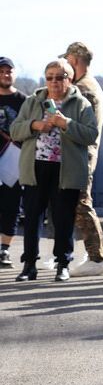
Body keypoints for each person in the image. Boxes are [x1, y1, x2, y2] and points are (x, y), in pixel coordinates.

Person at [9, 59, 97, 282]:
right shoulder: (32, 102)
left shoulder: (81, 104)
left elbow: (90, 135)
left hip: (65, 170)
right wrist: (34, 125)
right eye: (50, 77)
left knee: (63, 218)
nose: (54, 82)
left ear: (69, 79)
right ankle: (29, 264)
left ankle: (63, 264)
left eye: (60, 77)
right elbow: (15, 130)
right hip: (35, 167)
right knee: (31, 218)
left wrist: (65, 123)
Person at [62, 42, 103, 277]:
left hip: (81, 156)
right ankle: (97, 255)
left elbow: (80, 127)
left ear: (74, 60)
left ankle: (97, 257)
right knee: (81, 204)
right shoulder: (89, 85)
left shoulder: (83, 89)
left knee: (82, 205)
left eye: (67, 61)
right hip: (82, 155)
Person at [0, 56, 26, 269]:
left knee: (11, 205)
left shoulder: (24, 100)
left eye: (9, 71)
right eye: (1, 71)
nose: (5, 75)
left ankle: (4, 250)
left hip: (15, 160)